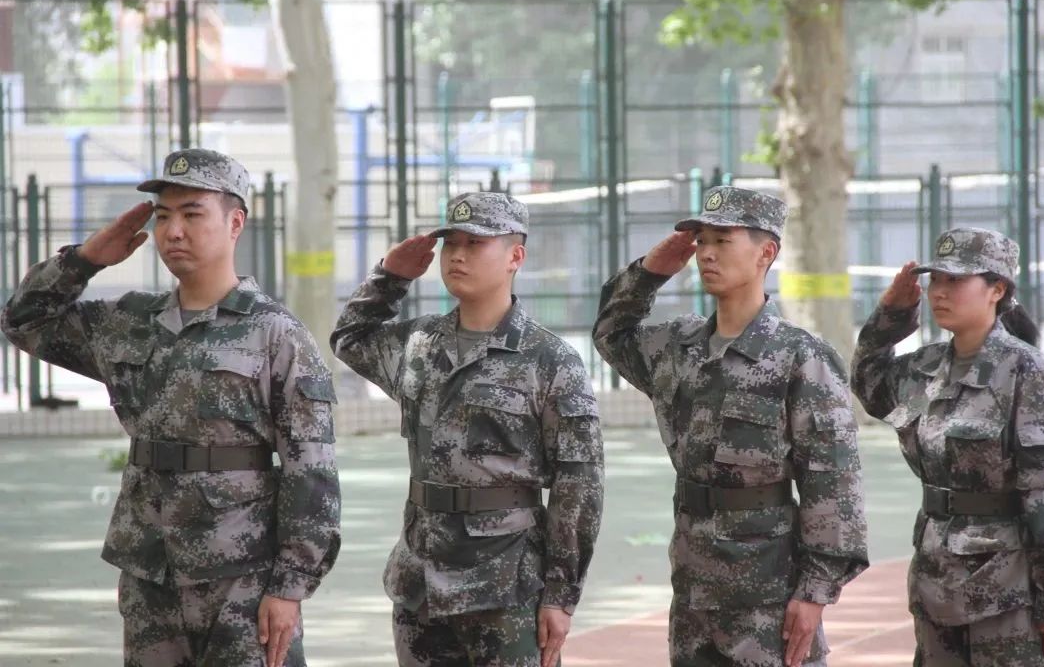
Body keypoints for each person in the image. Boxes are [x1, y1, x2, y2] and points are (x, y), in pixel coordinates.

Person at [1, 148, 341, 667]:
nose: (173, 231)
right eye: (162, 217)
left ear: (235, 223)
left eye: (191, 214)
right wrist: (86, 260)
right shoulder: (129, 323)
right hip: (150, 573)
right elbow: (22, 320)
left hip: (242, 579)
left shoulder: (276, 334)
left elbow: (311, 471)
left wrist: (290, 587)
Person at [592, 185, 868, 667]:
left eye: (723, 240)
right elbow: (610, 333)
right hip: (693, 584)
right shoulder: (678, 347)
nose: (706, 253)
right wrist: (649, 273)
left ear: (766, 253)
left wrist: (815, 591)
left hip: (768, 592)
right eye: (701, 241)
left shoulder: (800, 357)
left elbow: (833, 483)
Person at [331, 190, 604, 667]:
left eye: (475, 244)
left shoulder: (549, 359)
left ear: (515, 257)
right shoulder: (418, 343)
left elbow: (579, 484)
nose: (457, 255)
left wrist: (561, 594)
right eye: (451, 243)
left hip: (506, 585)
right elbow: (350, 338)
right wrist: (390, 277)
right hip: (420, 581)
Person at [851, 226, 1044, 665]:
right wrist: (891, 314)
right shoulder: (925, 369)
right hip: (935, 581)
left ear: (997, 289)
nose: (939, 291)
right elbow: (867, 382)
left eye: (956, 280)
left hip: (1007, 592)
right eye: (935, 279)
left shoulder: (1031, 374)